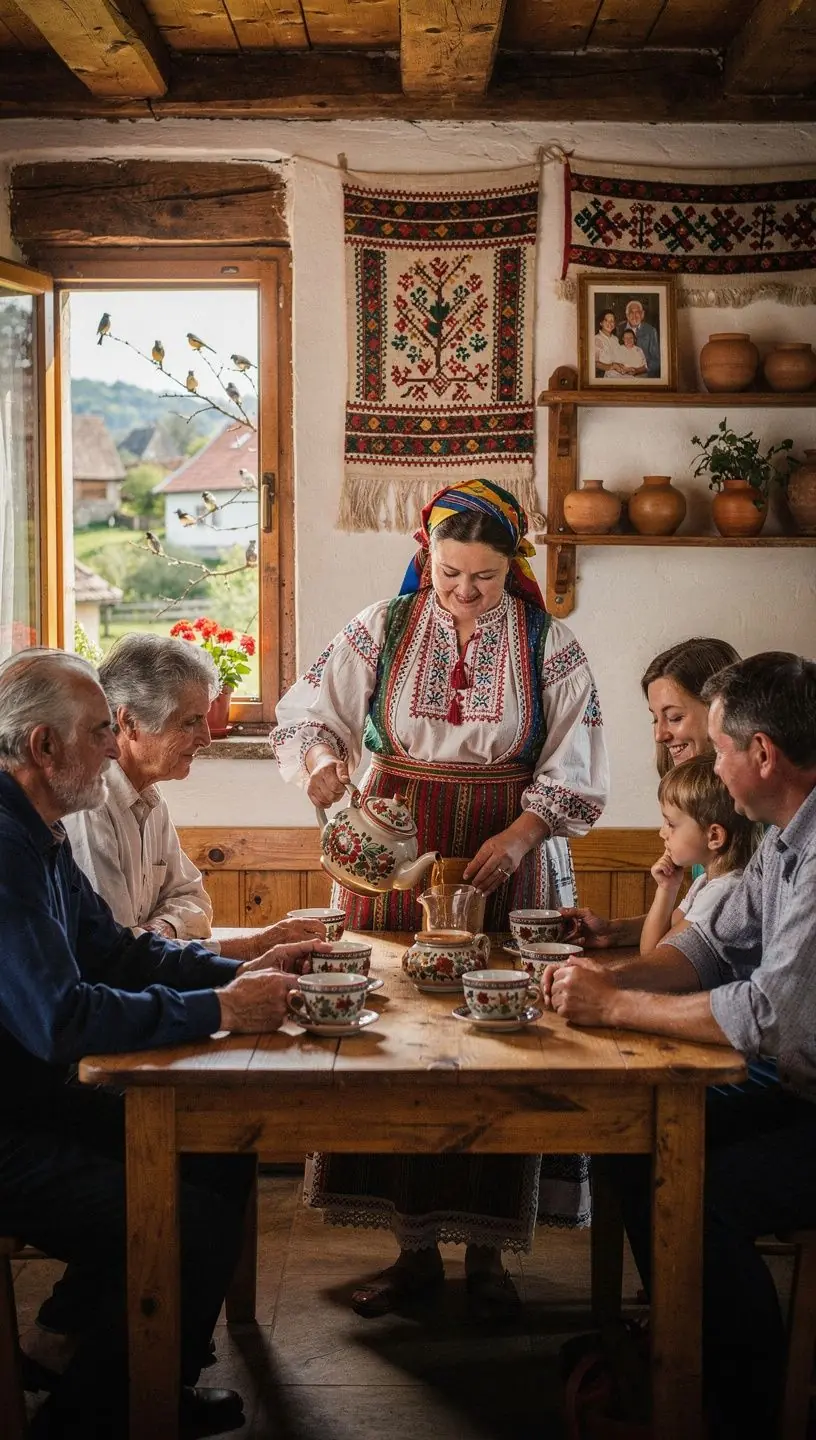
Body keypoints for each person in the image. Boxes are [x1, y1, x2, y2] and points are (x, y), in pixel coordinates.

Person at [271, 477, 608, 1318]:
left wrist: (524, 835)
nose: (462, 589)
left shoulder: (549, 643)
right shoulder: (382, 626)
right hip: (391, 854)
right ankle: (411, 1249)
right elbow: (309, 712)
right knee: (395, 1040)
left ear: (512, 567)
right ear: (427, 556)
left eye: (483, 577)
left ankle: (491, 1255)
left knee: (500, 1045)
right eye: (448, 571)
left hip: (505, 858)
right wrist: (320, 762)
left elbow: (577, 762)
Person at [0, 648, 329, 1436]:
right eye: (98, 733)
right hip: (11, 1128)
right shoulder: (6, 848)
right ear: (43, 747)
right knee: (187, 1218)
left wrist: (240, 969)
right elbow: (61, 1019)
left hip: (35, 1101)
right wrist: (221, 1008)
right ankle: (101, 1417)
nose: (112, 748)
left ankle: (141, 1380)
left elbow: (118, 953)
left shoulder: (40, 832)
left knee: (219, 1145)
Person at [544, 652, 816, 1438]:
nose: (709, 762)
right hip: (798, 1086)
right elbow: (710, 947)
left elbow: (767, 1016)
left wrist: (616, 1004)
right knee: (634, 1143)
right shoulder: (782, 837)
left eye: (720, 747)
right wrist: (599, 978)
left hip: (808, 1097)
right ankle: (679, 1350)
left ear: (761, 753)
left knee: (699, 1190)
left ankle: (739, 1406)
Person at [64, 633, 322, 961]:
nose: (206, 738)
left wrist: (164, 928)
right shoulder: (90, 808)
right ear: (129, 722)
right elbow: (119, 956)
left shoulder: (149, 798)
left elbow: (193, 900)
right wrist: (254, 947)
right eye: (191, 721)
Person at [568, 637, 741, 951]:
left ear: (721, 712)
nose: (660, 734)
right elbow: (697, 919)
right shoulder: (700, 804)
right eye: (655, 718)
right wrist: (614, 932)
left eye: (674, 717)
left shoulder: (754, 810)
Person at [639, 754, 762, 954]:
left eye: (671, 824)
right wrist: (667, 887)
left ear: (714, 836)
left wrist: (666, 890)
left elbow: (655, 955)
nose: (662, 833)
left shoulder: (724, 892)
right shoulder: (704, 883)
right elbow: (653, 950)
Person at [619, 299, 659, 378]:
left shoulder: (651, 331)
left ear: (642, 314)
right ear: (627, 315)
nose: (634, 316)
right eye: (631, 312)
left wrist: (639, 370)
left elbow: (656, 360)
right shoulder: (618, 329)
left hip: (644, 376)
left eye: (637, 312)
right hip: (622, 375)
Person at [594, 309, 626, 376]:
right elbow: (595, 363)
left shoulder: (615, 339)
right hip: (604, 375)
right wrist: (612, 366)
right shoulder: (596, 339)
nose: (610, 323)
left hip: (619, 373)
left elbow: (618, 357)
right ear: (601, 323)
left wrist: (620, 365)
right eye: (606, 320)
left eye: (612, 321)